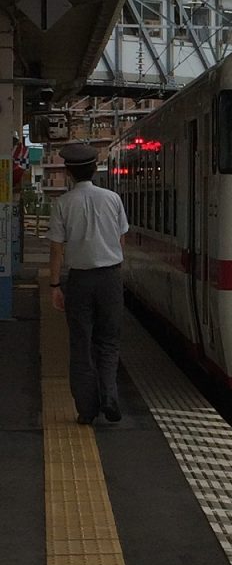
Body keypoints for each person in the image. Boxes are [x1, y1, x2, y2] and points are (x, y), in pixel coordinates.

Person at [48, 143, 129, 425]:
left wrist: (55, 286)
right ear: (95, 168)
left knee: (80, 344)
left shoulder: (62, 204)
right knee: (108, 342)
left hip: (79, 281)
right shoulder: (113, 199)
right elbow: (121, 241)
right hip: (110, 278)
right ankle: (109, 396)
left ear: (68, 172)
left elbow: (57, 249)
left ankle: (87, 409)